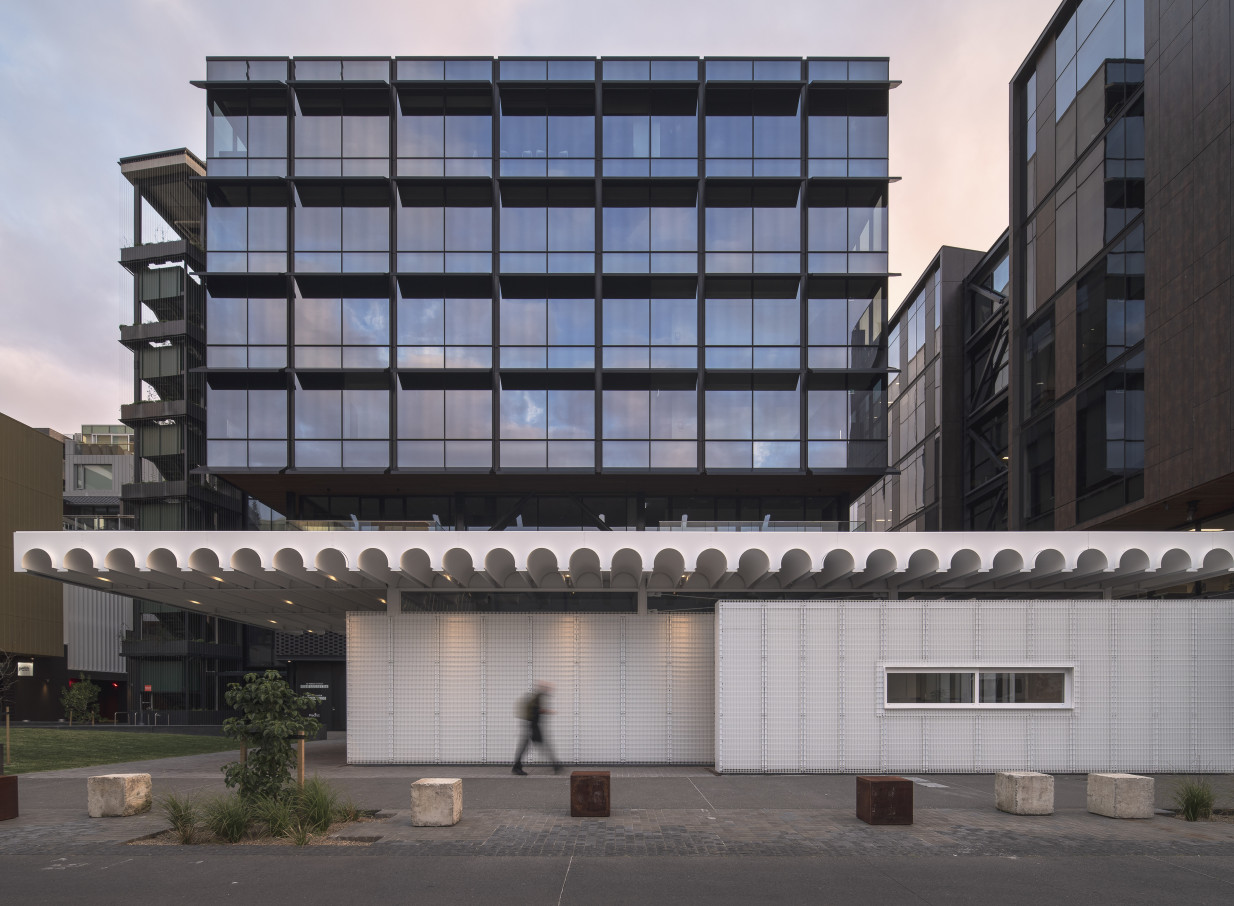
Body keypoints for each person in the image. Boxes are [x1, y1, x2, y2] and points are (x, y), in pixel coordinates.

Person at [512, 681, 561, 775]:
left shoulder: (537, 697)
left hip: (531, 725)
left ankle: (556, 765)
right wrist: (548, 711)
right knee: (537, 745)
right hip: (532, 726)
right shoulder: (537, 697)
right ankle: (556, 765)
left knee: (529, 746)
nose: (550, 690)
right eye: (548, 688)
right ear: (544, 688)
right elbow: (537, 710)